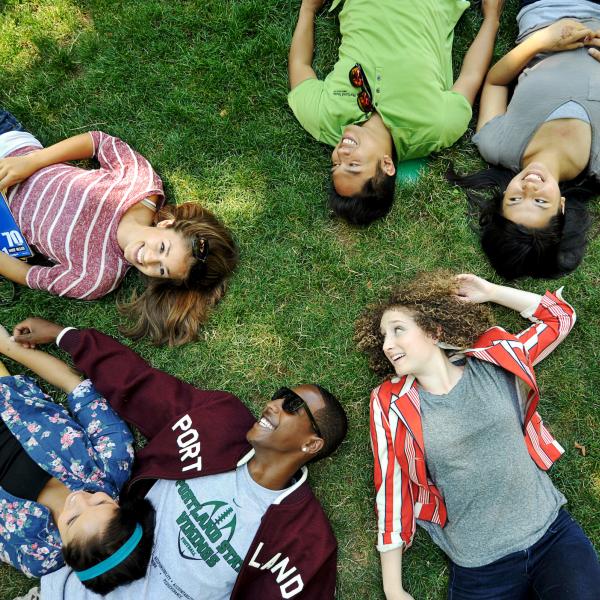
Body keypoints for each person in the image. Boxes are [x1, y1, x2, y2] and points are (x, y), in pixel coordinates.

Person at [9, 317, 349, 599]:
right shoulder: (219, 423)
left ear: (311, 445)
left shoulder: (304, 539)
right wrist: (65, 336)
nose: (273, 405)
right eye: (280, 395)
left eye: (292, 407)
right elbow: (142, 385)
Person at [355, 271, 600, 599]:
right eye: (384, 336)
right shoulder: (390, 404)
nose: (387, 344)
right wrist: (393, 588)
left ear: (433, 330)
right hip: (480, 567)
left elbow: (559, 317)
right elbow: (391, 487)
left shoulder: (493, 359)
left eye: (398, 330)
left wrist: (491, 292)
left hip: (552, 537)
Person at [0, 109, 238, 345]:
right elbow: (97, 141)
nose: (149, 259)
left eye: (161, 270)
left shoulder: (96, 279)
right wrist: (30, 162)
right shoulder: (141, 185)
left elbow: (28, 275)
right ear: (167, 224)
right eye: (163, 248)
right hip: (10, 146)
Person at [288, 0, 505, 225]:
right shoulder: (436, 126)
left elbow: (299, 65)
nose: (340, 155)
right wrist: (491, 19)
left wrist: (308, 9)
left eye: (335, 165)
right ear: (387, 165)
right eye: (352, 165)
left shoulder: (323, 118)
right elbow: (471, 75)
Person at [0, 324, 154, 594]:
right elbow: (77, 387)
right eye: (100, 501)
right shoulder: (113, 462)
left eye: (72, 520)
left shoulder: (37, 556)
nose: (80, 498)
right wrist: (8, 347)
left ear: (66, 552)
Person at [451, 0, 600, 278]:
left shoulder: (498, 144)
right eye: (541, 202)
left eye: (516, 200)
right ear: (562, 207)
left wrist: (542, 41)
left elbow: (495, 82)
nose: (529, 188)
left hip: (545, 11)